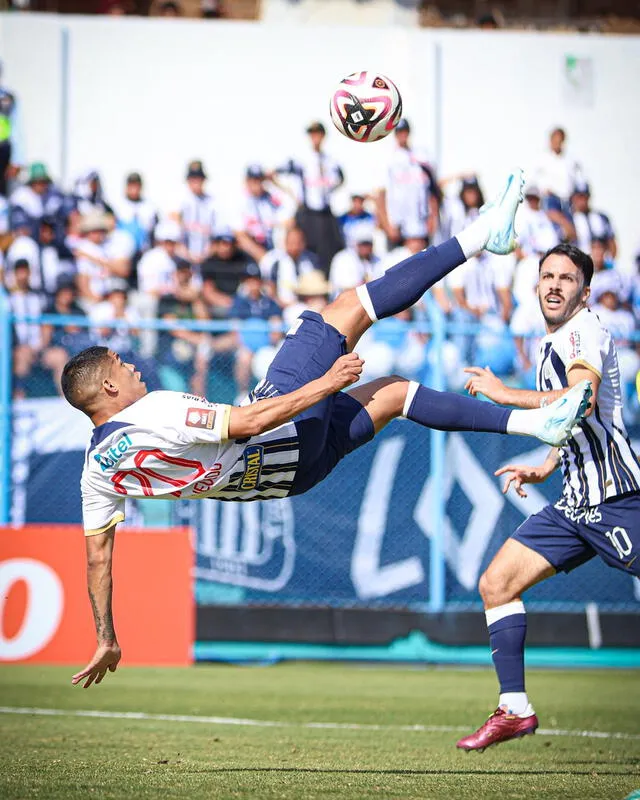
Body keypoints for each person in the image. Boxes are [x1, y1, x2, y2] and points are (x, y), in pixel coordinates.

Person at [61, 170, 592, 688]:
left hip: (289, 477)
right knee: (344, 309)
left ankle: (533, 423)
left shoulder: (96, 472)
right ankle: (483, 235)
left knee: (395, 394)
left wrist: (106, 635)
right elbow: (247, 421)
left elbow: (98, 557)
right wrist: (326, 382)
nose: (132, 368)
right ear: (107, 390)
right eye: (119, 367)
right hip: (283, 430)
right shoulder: (152, 411)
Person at [457, 242, 640, 753]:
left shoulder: (582, 331)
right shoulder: (551, 340)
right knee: (497, 583)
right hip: (574, 504)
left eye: (566, 277)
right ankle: (514, 709)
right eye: (547, 276)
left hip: (615, 498)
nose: (555, 285)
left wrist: (505, 395)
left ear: (584, 290)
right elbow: (576, 421)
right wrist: (546, 465)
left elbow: (577, 397)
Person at [272, 121, 345, 273]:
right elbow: (273, 173)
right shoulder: (302, 160)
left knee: (330, 252)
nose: (315, 137)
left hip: (325, 215)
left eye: (318, 133)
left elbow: (341, 179)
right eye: (312, 134)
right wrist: (292, 195)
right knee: (305, 251)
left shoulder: (330, 160)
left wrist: (329, 190)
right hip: (308, 214)